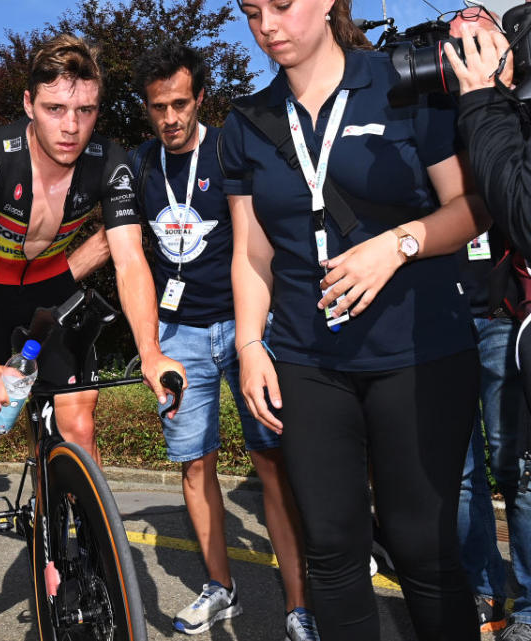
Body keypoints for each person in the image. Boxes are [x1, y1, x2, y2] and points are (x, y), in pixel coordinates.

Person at [221, 1, 490, 640]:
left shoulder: (401, 84)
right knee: (333, 552)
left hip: (419, 354)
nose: (268, 26)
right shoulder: (246, 121)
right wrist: (251, 343)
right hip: (306, 360)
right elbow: (250, 253)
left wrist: (396, 244)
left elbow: (473, 208)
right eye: (253, 11)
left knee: (422, 548)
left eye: (282, 5)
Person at [0, 33, 186, 641]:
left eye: (85, 111)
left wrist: (153, 351)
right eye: (56, 110)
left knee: (79, 426)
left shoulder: (111, 163)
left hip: (52, 297)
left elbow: (131, 261)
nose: (71, 127)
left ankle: (88, 546)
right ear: (29, 104)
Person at [112, 41, 315, 639]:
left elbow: (261, 241)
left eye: (180, 103)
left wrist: (259, 331)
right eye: (158, 107)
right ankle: (219, 587)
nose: (171, 118)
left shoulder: (230, 145)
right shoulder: (143, 165)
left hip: (249, 327)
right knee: (194, 466)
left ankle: (298, 605)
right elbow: (126, 253)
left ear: (200, 97)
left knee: (272, 463)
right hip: (179, 335)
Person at [446, 14, 531, 641]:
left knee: (517, 468)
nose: (470, 42)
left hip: (504, 315)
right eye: (458, 36)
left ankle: (527, 606)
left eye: (484, 32)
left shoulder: (515, 111)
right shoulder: (420, 113)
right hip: (442, 315)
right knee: (462, 471)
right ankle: (483, 590)